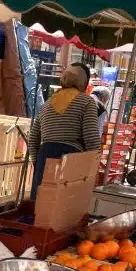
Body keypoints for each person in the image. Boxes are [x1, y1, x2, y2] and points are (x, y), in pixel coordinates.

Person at [27, 64, 103, 199]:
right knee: (65, 209)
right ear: (84, 83)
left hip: (45, 156)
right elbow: (91, 138)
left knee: (41, 206)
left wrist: (38, 164)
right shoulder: (87, 102)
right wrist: (93, 169)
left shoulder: (47, 104)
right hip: (72, 158)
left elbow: (33, 138)